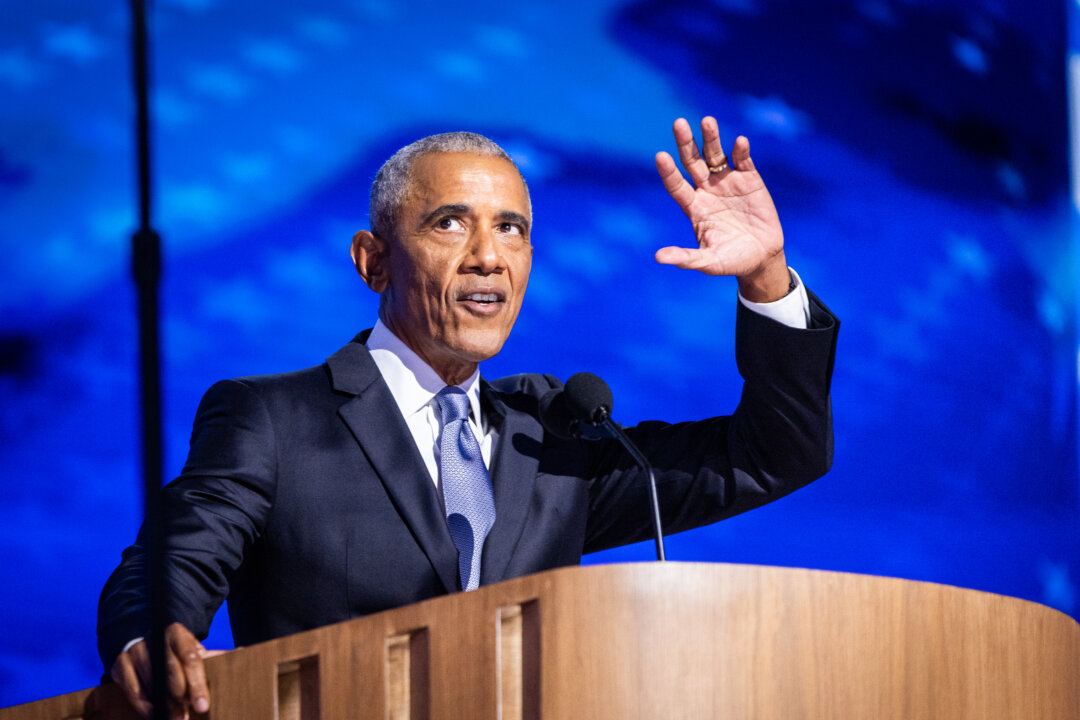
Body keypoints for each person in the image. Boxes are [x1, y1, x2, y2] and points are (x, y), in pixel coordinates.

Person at [98, 116, 839, 718]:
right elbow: (172, 564)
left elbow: (772, 454)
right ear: (373, 261)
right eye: (452, 223)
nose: (490, 256)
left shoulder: (555, 432)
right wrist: (148, 636)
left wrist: (765, 276)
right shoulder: (273, 418)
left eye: (512, 229)